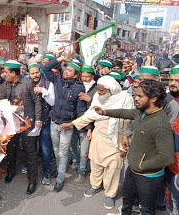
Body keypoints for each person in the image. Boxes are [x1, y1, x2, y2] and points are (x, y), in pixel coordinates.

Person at [93, 79, 174, 215]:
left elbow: (167, 157)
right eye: (136, 95)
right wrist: (104, 112)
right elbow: (125, 113)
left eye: (140, 96)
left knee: (146, 210)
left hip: (148, 177)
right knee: (127, 203)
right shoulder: (141, 112)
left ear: (153, 98)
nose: (135, 98)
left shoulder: (160, 124)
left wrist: (141, 165)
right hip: (133, 171)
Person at [71, 75, 134, 209]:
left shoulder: (125, 99)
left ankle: (110, 194)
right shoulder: (97, 98)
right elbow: (90, 115)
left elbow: (129, 122)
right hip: (98, 137)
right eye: (98, 90)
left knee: (113, 169)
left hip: (116, 140)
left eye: (101, 90)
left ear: (111, 90)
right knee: (95, 164)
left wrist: (125, 145)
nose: (98, 93)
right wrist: (72, 124)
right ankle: (95, 186)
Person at [42, 55, 89, 192]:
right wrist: (59, 58)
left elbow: (80, 109)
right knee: (56, 150)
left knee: (63, 152)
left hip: (66, 126)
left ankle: (60, 179)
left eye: (69, 70)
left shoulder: (79, 88)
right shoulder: (57, 80)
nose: (65, 71)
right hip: (54, 122)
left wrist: (85, 127)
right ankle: (60, 170)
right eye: (66, 69)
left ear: (75, 76)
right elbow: (45, 68)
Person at [0, 60, 42, 195]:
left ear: (13, 73)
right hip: (11, 123)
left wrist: (38, 119)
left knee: (30, 152)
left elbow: (37, 101)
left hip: (28, 122)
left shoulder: (28, 83)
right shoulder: (4, 85)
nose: (4, 74)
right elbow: (1, 101)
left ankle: (32, 180)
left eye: (6, 72)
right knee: (10, 149)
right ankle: (11, 172)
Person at [71, 65, 97, 183]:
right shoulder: (76, 85)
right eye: (83, 76)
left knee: (84, 151)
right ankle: (76, 162)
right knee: (73, 146)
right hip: (74, 122)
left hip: (88, 125)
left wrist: (90, 99)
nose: (85, 79)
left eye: (88, 76)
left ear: (92, 76)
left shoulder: (97, 88)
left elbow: (100, 107)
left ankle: (82, 171)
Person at [28, 63, 53, 185]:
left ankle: (46, 173)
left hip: (45, 122)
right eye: (32, 73)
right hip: (30, 122)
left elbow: (53, 102)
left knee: (45, 149)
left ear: (40, 72)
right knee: (31, 148)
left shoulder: (48, 83)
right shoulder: (26, 83)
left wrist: (44, 91)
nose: (35, 75)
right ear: (29, 74)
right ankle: (30, 168)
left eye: (37, 72)